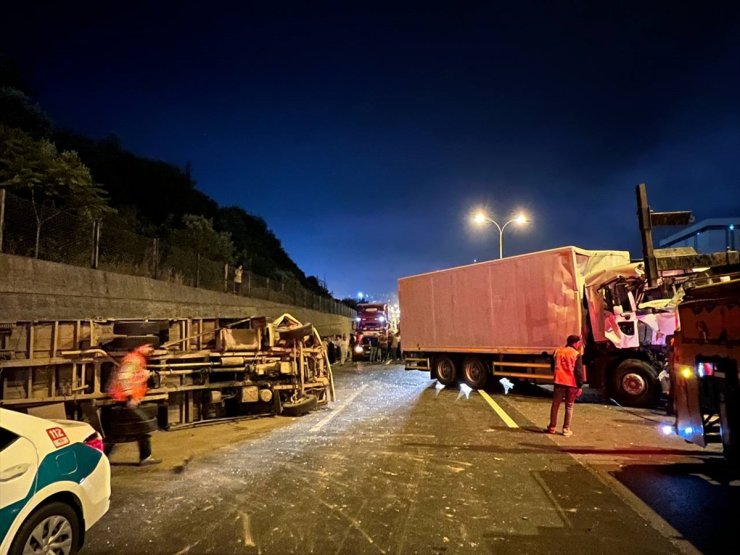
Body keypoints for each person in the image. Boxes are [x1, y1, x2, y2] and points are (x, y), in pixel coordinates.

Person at [106, 343, 161, 465]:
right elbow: (124, 377)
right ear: (138, 346)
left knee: (140, 428)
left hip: (131, 399)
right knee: (120, 432)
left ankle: (145, 457)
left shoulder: (137, 359)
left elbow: (133, 376)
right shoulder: (133, 359)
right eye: (148, 346)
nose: (151, 349)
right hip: (126, 399)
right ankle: (102, 458)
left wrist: (145, 375)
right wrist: (129, 396)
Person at [547, 334, 584, 437]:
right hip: (571, 383)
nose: (579, 344)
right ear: (575, 343)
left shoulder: (557, 351)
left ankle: (552, 427)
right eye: (578, 343)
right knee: (569, 406)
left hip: (559, 382)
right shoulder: (576, 354)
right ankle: (566, 429)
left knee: (555, 405)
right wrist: (580, 385)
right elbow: (579, 372)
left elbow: (552, 366)